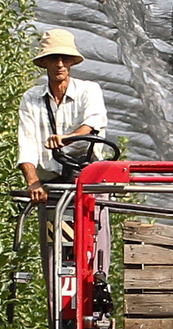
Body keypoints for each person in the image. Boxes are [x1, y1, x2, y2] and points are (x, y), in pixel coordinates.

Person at [18, 28, 107, 208]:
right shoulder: (31, 98)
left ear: (71, 62)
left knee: (90, 222)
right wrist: (33, 182)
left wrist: (68, 138)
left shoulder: (88, 91)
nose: (59, 64)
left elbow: (93, 122)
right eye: (54, 58)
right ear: (45, 62)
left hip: (86, 182)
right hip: (51, 184)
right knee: (52, 223)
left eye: (64, 59)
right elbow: (26, 144)